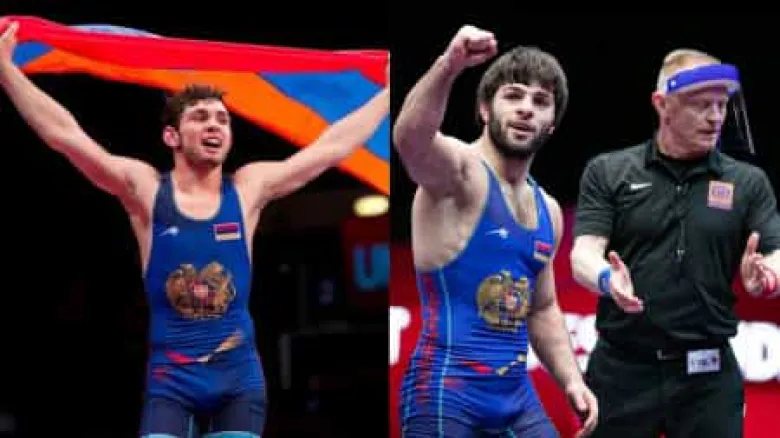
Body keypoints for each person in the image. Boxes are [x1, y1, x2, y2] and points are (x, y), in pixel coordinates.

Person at [0, 19, 389, 438]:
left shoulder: (248, 189)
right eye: (200, 117)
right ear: (172, 136)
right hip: (171, 386)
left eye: (222, 119)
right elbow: (64, 134)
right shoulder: (146, 191)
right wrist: (5, 69)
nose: (214, 125)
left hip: (238, 382)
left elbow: (331, 147)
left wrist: (388, 93)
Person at [393, 25, 598, 438]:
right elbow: (410, 141)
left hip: (515, 398)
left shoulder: (548, 211)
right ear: (485, 109)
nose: (526, 109)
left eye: (540, 101)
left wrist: (572, 380)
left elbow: (542, 308)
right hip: (446, 393)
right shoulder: (459, 172)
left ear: (552, 123)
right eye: (513, 95)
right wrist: (449, 65)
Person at [570, 48, 780, 438]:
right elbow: (583, 253)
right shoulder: (609, 171)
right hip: (621, 371)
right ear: (662, 104)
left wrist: (768, 276)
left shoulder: (748, 182)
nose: (716, 117)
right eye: (702, 105)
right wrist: (606, 279)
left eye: (722, 105)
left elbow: (775, 253)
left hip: (708, 378)